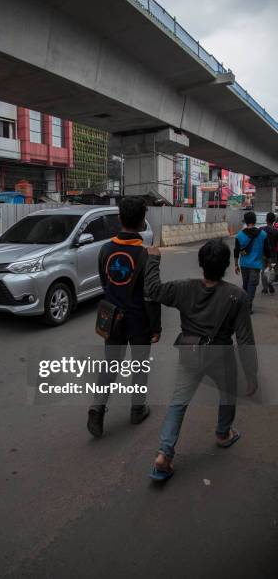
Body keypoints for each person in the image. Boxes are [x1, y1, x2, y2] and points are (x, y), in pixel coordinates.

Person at [144, 239, 258, 481]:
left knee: (178, 404)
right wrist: (251, 375)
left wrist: (154, 259)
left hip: (190, 354)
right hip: (221, 357)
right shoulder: (237, 296)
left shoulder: (183, 288)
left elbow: (152, 290)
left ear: (201, 264)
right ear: (226, 266)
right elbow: (245, 340)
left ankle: (164, 453)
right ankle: (223, 434)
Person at [87, 196, 161, 438]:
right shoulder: (147, 254)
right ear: (142, 223)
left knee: (109, 365)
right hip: (139, 320)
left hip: (113, 317)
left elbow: (104, 282)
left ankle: (97, 410)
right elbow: (151, 294)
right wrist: (156, 326)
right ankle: (137, 410)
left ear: (120, 219)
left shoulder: (105, 249)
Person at [234, 211, 270, 312]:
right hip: (256, 265)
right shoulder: (263, 235)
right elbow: (267, 251)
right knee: (252, 285)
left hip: (244, 264)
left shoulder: (239, 235)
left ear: (245, 221)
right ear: (255, 221)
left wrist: (236, 265)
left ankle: (245, 304)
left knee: (245, 285)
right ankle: (248, 305)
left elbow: (236, 251)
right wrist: (268, 263)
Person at [260, 212, 278, 294]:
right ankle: (270, 285)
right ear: (274, 220)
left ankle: (265, 288)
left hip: (263, 254)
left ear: (266, 219)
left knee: (263, 270)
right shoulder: (276, 231)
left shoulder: (261, 229)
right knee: (271, 270)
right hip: (273, 254)